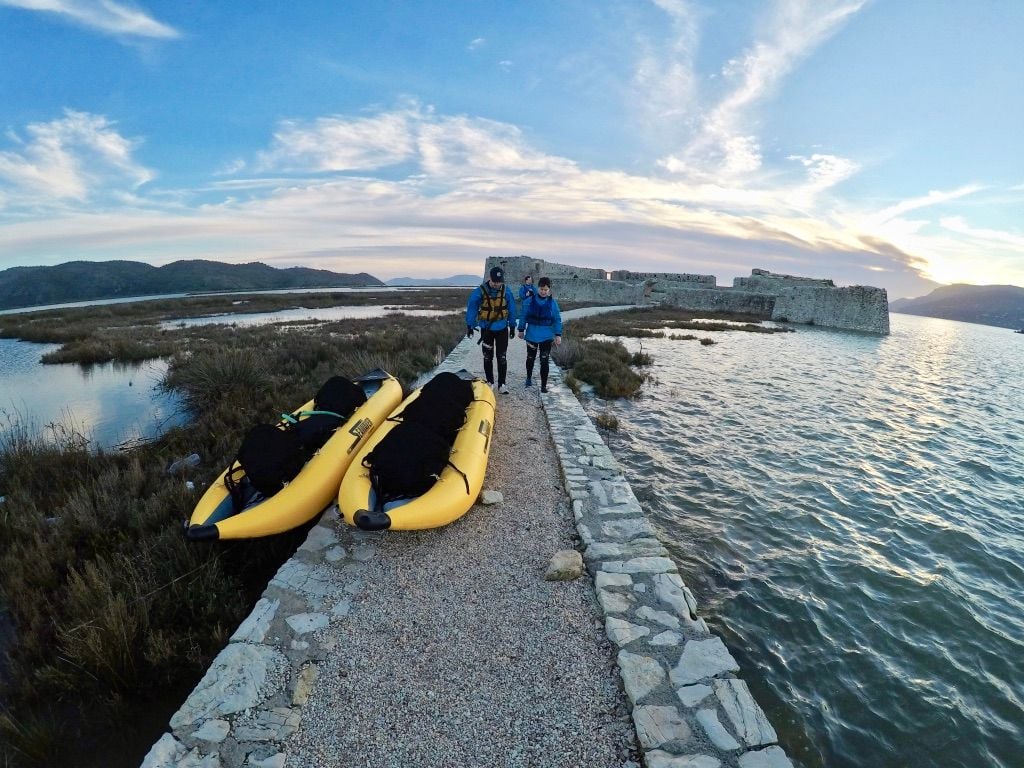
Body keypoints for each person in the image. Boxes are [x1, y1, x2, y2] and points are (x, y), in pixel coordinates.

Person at [465, 266, 517, 393]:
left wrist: (512, 326)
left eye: (499, 282)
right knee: (487, 357)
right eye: (494, 281)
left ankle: (502, 384)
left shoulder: (506, 291)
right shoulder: (480, 291)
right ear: (490, 279)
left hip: (502, 329)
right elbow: (472, 308)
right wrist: (470, 326)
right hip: (486, 329)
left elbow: (512, 309)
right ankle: (490, 382)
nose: (497, 284)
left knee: (502, 357)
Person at [516, 276, 562, 393]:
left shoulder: (553, 304)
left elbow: (557, 319)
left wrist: (558, 334)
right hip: (532, 335)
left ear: (549, 290)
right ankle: (528, 378)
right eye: (541, 289)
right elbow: (523, 316)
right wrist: (521, 329)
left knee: (544, 360)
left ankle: (543, 385)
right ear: (538, 288)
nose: (543, 292)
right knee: (530, 358)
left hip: (546, 337)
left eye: (546, 290)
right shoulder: (529, 302)